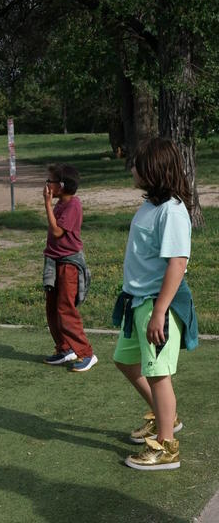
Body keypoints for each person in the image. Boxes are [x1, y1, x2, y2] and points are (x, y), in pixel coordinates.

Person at [113, 137, 197, 471]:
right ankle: (166, 417)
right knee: (125, 361)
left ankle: (166, 447)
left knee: (158, 374)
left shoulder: (172, 211)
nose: (132, 168)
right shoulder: (151, 206)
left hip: (156, 304)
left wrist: (160, 312)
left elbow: (177, 263)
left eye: (137, 164)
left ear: (154, 170)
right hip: (138, 302)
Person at [42, 164, 96, 372]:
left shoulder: (73, 205)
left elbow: (57, 232)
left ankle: (86, 353)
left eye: (50, 182)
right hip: (55, 262)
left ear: (61, 186)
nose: (47, 185)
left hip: (69, 264)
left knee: (65, 309)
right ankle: (65, 349)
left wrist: (46, 203)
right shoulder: (61, 204)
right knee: (52, 308)